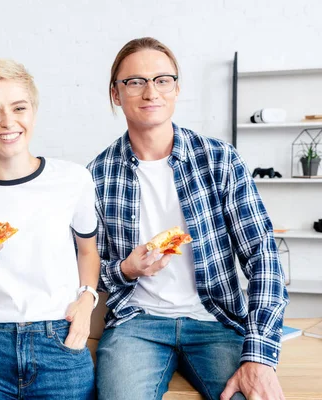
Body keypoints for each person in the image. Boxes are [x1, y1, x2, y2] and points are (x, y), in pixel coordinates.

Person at [88, 37, 289, 400]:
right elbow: (89, 270)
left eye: (162, 80)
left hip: (215, 320)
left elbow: (264, 256)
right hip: (137, 324)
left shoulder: (219, 159)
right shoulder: (96, 175)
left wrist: (260, 355)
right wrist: (127, 269)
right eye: (135, 81)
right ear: (116, 95)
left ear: (177, 89)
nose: (151, 92)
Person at [0, 58, 100, 399]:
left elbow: (88, 251)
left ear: (34, 113)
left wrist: (87, 302)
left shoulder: (72, 179)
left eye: (19, 108)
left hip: (60, 343)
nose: (8, 122)